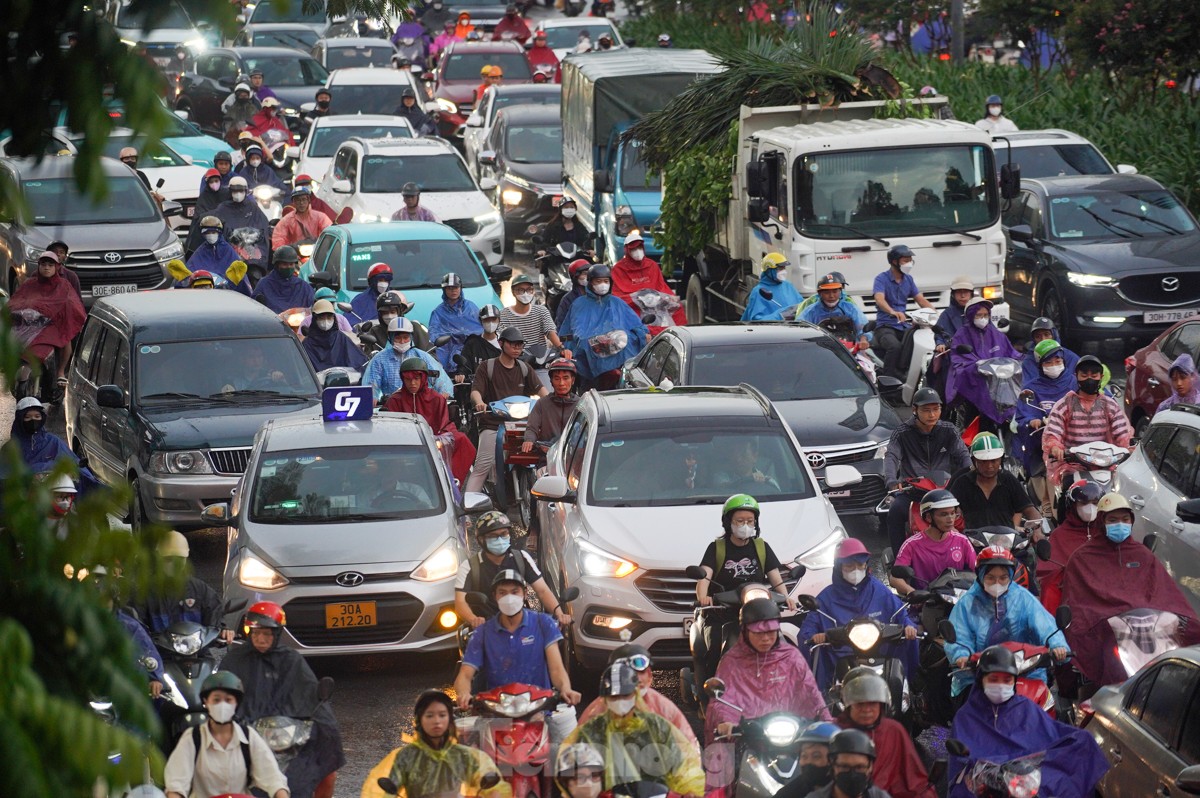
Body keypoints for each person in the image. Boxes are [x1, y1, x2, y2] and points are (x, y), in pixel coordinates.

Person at [1060, 492, 1200, 687]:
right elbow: (1080, 605)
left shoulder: (1142, 554)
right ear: (1102, 521)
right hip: (1108, 630)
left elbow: (1166, 592)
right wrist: (1107, 620)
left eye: (1125, 519)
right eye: (1113, 520)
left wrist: (1179, 618)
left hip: (1152, 626)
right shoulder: (1082, 558)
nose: (1120, 524)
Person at [705, 599, 832, 792]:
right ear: (745, 631)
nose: (766, 638)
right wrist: (728, 723)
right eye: (759, 633)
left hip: (791, 736)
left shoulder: (791, 656)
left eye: (771, 632)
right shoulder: (731, 661)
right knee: (725, 781)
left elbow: (810, 693)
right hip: (748, 737)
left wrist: (826, 721)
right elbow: (721, 704)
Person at [948, 645, 1108, 798]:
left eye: (1007, 680)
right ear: (981, 680)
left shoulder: (1025, 707)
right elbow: (961, 765)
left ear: (1014, 681)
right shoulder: (966, 716)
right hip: (985, 786)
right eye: (993, 679)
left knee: (1084, 741)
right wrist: (993, 770)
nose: (1000, 685)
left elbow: (1052, 735)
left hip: (1026, 779)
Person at [221, 602, 345, 798]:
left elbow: (310, 695)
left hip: (288, 735)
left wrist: (323, 727)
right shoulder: (234, 661)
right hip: (247, 736)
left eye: (267, 634)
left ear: (277, 634)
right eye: (256, 633)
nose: (261, 639)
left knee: (327, 769)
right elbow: (221, 698)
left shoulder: (291, 660)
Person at [562, 662, 704, 797]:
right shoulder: (591, 731)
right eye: (614, 696)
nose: (620, 701)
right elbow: (572, 770)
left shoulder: (657, 726)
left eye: (625, 695)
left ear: (635, 694)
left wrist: (691, 790)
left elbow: (684, 764)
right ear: (604, 698)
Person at [943, 547, 1068, 699]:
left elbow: (1045, 625)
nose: (997, 583)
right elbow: (959, 636)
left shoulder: (1023, 598)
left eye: (1003, 578)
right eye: (990, 578)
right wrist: (961, 655)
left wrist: (1057, 644)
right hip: (979, 676)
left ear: (1010, 576)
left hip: (1026, 672)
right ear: (981, 576)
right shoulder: (967, 603)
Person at [801, 538, 918, 692]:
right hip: (839, 659)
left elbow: (900, 613)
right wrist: (815, 636)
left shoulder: (879, 590)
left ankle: (909, 687)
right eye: (849, 566)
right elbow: (807, 630)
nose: (856, 570)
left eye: (860, 565)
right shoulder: (825, 598)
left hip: (880, 654)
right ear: (838, 568)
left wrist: (909, 626)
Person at [453, 569, 581, 706]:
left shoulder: (543, 623)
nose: (509, 598)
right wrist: (464, 694)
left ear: (525, 594)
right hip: (497, 711)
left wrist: (565, 689)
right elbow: (465, 675)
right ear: (495, 596)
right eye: (502, 593)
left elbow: (556, 668)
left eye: (515, 592)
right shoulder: (483, 633)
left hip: (539, 708)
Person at [164, 672, 290, 798]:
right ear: (206, 702)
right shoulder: (193, 738)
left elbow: (273, 778)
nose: (222, 705)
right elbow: (176, 785)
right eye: (216, 700)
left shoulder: (249, 736)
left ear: (236, 704)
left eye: (228, 700)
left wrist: (281, 794)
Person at [361, 690, 507, 798]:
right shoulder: (405, 757)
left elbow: (494, 787)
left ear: (449, 719)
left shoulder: (466, 755)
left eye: (442, 715)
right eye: (429, 715)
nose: (436, 721)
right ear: (419, 720)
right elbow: (381, 792)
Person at [882, 387, 971, 552]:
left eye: (936, 409)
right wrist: (892, 481)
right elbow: (891, 457)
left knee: (971, 509)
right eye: (926, 410)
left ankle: (971, 552)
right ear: (914, 410)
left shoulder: (949, 430)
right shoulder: (902, 433)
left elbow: (962, 455)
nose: (932, 415)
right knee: (895, 511)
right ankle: (899, 561)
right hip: (913, 493)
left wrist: (970, 474)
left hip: (945, 491)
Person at [464, 327, 547, 492]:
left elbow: (542, 391)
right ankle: (469, 503)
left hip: (521, 423)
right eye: (513, 344)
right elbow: (476, 391)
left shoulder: (525, 368)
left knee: (542, 458)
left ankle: (542, 501)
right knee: (482, 466)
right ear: (501, 343)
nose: (517, 348)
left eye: (520, 345)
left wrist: (549, 403)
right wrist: (479, 402)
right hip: (492, 424)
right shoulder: (487, 367)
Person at [453, 510, 568, 627]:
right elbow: (460, 602)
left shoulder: (522, 558)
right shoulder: (469, 567)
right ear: (481, 540)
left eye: (503, 534)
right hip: (487, 630)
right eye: (493, 536)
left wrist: (559, 614)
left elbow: (542, 591)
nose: (499, 539)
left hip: (520, 626)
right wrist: (474, 619)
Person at [835, 669, 934, 798]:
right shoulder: (834, 732)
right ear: (848, 705)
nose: (866, 710)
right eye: (859, 704)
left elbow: (914, 780)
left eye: (872, 703)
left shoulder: (893, 730)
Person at [577, 643, 697, 744]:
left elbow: (688, 747)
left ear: (650, 675)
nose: (634, 679)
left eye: (640, 673)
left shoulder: (664, 709)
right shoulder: (595, 713)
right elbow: (579, 755)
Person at [1042, 354, 1132, 487]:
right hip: (1072, 465)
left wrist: (1128, 449)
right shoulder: (1065, 404)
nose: (1089, 379)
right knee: (1066, 495)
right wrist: (1055, 446)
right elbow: (1053, 432)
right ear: (1076, 376)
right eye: (1084, 375)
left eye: (1094, 375)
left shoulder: (1110, 405)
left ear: (1101, 377)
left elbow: (1122, 435)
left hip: (1106, 465)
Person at [384, 357, 475, 482]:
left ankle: (451, 482)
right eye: (408, 379)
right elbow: (389, 429)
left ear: (424, 378)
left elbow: (444, 425)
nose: (413, 384)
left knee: (463, 441)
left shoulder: (437, 399)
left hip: (433, 442)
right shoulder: (394, 400)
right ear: (402, 379)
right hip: (403, 445)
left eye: (416, 379)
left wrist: (438, 438)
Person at [9, 250, 86, 395]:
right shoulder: (30, 283)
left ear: (57, 267)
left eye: (50, 265)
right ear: (38, 266)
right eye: (43, 264)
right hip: (32, 325)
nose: (46, 267)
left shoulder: (64, 284)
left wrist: (59, 314)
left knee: (65, 338)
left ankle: (60, 372)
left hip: (55, 324)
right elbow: (18, 300)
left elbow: (72, 304)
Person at [560, 264, 648, 389]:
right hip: (589, 361)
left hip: (619, 359)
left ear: (610, 283)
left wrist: (643, 334)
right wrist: (566, 347)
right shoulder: (578, 304)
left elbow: (637, 325)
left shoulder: (617, 302)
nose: (602, 284)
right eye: (598, 281)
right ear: (590, 282)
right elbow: (566, 333)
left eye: (606, 281)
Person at [137, 530, 232, 641]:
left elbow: (215, 613)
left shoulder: (200, 590)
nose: (173, 564)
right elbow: (134, 624)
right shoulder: (144, 593)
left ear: (185, 559)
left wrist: (223, 628)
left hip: (197, 652)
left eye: (179, 559)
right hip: (160, 654)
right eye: (168, 559)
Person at [1015, 340, 1075, 508]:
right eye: (1048, 362)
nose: (1054, 365)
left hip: (1075, 443)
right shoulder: (1030, 389)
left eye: (1058, 361)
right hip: (1042, 445)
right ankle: (1045, 506)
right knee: (1040, 473)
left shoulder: (1075, 383)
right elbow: (1022, 416)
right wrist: (1031, 421)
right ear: (1040, 364)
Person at [946, 297, 1020, 429]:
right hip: (975, 381)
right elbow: (959, 359)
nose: (983, 318)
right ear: (970, 315)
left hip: (998, 381)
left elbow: (1011, 353)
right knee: (974, 411)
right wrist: (976, 365)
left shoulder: (996, 334)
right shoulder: (961, 335)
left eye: (985, 315)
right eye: (979, 315)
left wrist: (1021, 360)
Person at [891, 490, 977, 595]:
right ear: (928, 517)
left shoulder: (963, 541)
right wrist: (911, 592)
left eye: (953, 513)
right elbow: (895, 578)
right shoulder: (911, 545)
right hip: (926, 603)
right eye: (943, 514)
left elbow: (978, 572)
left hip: (958, 601)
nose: (950, 519)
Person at [1036, 479, 1103, 614]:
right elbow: (1049, 572)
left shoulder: (1106, 531)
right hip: (1071, 593)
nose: (1090, 508)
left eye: (1095, 503)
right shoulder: (1059, 535)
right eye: (1084, 503)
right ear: (1072, 506)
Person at [948, 432, 1041, 530]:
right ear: (974, 460)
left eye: (994, 461)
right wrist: (952, 532)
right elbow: (946, 510)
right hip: (973, 542)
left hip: (1008, 541)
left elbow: (1030, 510)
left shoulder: (1009, 480)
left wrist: (1037, 530)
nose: (989, 466)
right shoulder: (963, 482)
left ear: (1001, 459)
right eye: (983, 461)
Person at [8, 397, 99, 491]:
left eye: (37, 416)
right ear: (20, 419)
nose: (33, 420)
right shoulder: (11, 448)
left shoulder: (53, 441)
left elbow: (71, 461)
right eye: (27, 417)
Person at [871, 244, 934, 378]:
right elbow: (879, 299)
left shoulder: (909, 280)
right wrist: (892, 311)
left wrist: (936, 314)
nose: (909, 264)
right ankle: (888, 380)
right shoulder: (881, 279)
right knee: (894, 347)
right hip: (885, 326)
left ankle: (910, 375)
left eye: (910, 260)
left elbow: (921, 300)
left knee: (920, 344)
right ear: (894, 261)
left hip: (904, 325)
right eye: (905, 261)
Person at [608, 232, 686, 332]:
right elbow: (618, 295)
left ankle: (679, 333)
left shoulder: (652, 265)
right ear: (627, 250)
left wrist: (665, 298)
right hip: (633, 304)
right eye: (633, 249)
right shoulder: (618, 269)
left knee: (677, 308)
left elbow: (661, 286)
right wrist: (638, 299)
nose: (637, 251)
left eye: (639, 248)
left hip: (656, 302)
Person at [363, 317, 453, 402]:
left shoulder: (422, 356)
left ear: (411, 337)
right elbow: (371, 383)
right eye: (398, 338)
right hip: (391, 407)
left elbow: (440, 379)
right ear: (390, 338)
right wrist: (372, 397)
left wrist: (444, 392)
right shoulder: (379, 359)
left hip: (420, 405)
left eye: (405, 337)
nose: (402, 342)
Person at [213, 175, 271, 272]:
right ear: (230, 191)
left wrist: (248, 239)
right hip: (229, 251)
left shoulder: (253, 207)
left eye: (241, 191)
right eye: (235, 191)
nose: (238, 194)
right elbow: (217, 230)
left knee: (255, 274)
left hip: (252, 252)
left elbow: (262, 227)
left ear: (246, 191)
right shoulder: (222, 209)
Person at [500, 273, 564, 362]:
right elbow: (501, 340)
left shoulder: (542, 311)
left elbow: (550, 332)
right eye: (520, 290)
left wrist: (561, 348)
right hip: (515, 361)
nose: (525, 294)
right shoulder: (504, 314)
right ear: (513, 292)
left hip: (540, 359)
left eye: (528, 290)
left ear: (533, 291)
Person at [185, 216, 252, 296]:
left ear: (219, 232)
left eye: (213, 232)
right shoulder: (200, 252)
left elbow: (240, 278)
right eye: (207, 233)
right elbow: (189, 273)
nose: (210, 235)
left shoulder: (228, 251)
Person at [429, 273, 482, 373]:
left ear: (460, 288)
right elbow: (434, 335)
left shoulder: (471, 307)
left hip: (470, 349)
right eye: (449, 288)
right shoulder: (438, 312)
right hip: (447, 351)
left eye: (456, 287)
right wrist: (453, 337)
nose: (453, 290)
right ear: (444, 290)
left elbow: (480, 330)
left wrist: (464, 336)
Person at [521, 358, 577, 452]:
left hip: (573, 458)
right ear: (551, 381)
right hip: (547, 457)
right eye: (556, 378)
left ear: (573, 380)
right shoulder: (542, 404)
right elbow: (532, 428)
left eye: (566, 378)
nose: (561, 383)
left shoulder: (581, 404)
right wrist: (529, 440)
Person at [796, 271, 867, 345]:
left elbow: (862, 326)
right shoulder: (810, 311)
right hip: (820, 347)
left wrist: (863, 340)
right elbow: (800, 329)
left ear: (840, 291)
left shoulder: (851, 308)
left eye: (835, 291)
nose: (831, 296)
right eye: (827, 292)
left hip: (848, 348)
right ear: (820, 293)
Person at [772, 722, 840, 798]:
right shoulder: (794, 790)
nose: (808, 761)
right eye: (804, 756)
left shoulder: (848, 790)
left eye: (816, 756)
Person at [302, 299, 368, 372]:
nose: (326, 321)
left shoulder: (342, 338)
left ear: (334, 318)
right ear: (315, 319)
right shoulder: (307, 344)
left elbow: (358, 363)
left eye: (329, 317)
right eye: (321, 317)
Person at [253, 246, 316, 313]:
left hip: (298, 322)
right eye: (284, 264)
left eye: (291, 264)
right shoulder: (264, 284)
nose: (288, 267)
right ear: (277, 265)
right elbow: (254, 306)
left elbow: (313, 305)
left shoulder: (302, 286)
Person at [1019, 317, 1078, 385]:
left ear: (1054, 335)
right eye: (1038, 336)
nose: (1043, 340)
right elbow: (1030, 386)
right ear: (1034, 340)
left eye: (1046, 335)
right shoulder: (1029, 361)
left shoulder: (1071, 357)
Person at [185, 169, 231, 252]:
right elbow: (199, 216)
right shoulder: (204, 197)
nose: (214, 184)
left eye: (216, 181)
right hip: (209, 230)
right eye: (211, 182)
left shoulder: (227, 193)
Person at [459, 303, 503, 376]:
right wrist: (461, 374)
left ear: (499, 320)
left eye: (494, 319)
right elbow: (465, 366)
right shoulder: (472, 343)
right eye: (487, 320)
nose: (491, 323)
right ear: (481, 321)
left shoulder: (505, 343)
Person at [555, 259, 592, 329]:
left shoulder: (598, 296)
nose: (588, 277)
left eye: (589, 274)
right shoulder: (568, 299)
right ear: (575, 277)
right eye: (584, 274)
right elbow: (561, 324)